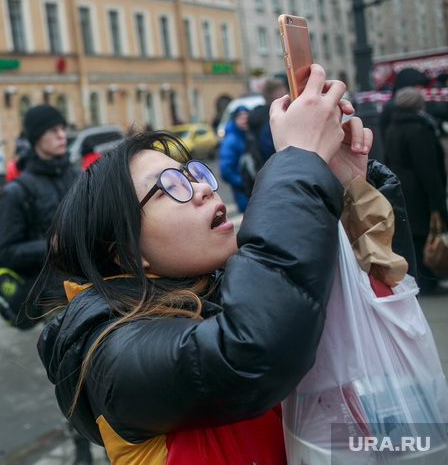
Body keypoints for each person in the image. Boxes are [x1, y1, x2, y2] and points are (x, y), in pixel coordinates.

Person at [37, 65, 414, 464]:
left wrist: (347, 187)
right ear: (126, 252)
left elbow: (383, 292)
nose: (201, 188)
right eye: (169, 187)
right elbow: (253, 352)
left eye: (191, 174)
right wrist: (297, 163)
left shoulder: (221, 286)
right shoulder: (110, 356)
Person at [0, 104, 92, 464]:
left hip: (92, 285)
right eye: (52, 131)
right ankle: (80, 443)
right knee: (72, 375)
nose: (61, 135)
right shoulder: (18, 191)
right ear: (36, 139)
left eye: (62, 128)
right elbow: (5, 251)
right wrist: (50, 245)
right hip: (53, 297)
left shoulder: (76, 177)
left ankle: (112, 437)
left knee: (104, 364)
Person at [384, 86, 448, 293]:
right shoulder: (420, 127)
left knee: (413, 234)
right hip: (420, 192)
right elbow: (428, 168)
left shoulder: (393, 126)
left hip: (402, 189)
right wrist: (437, 200)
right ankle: (429, 280)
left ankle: (422, 279)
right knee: (426, 233)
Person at [217, 105, 250, 212]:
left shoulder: (247, 135)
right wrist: (244, 183)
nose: (244, 120)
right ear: (235, 119)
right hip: (244, 196)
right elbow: (226, 171)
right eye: (241, 117)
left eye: (246, 117)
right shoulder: (231, 141)